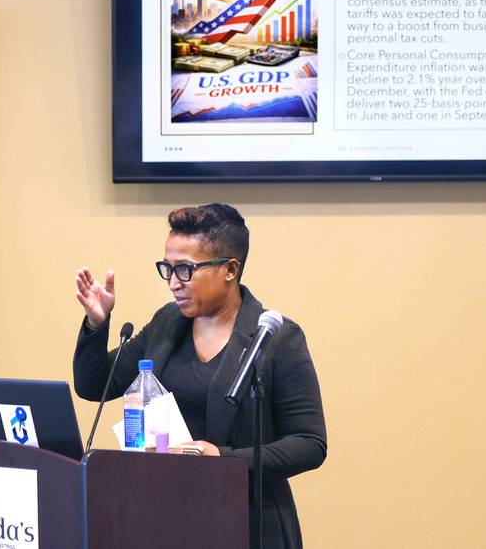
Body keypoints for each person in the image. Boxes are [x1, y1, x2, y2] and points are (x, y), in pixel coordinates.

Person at [73, 203, 326, 548]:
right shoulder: (166, 324)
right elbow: (94, 386)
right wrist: (96, 324)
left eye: (186, 270)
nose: (174, 283)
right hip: (166, 517)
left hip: (247, 523)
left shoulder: (277, 338)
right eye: (168, 268)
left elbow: (310, 444)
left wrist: (222, 460)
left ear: (230, 269)